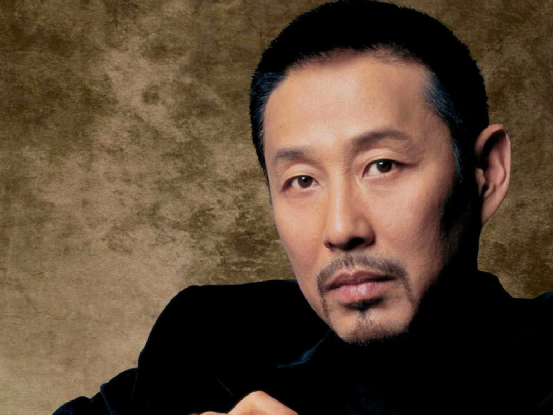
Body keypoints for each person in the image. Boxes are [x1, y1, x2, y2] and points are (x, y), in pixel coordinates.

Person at [54, 1, 553, 414]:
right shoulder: (211, 346)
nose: (341, 228)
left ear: (486, 172)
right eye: (302, 180)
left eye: (382, 166)